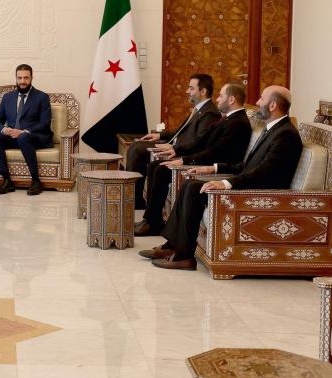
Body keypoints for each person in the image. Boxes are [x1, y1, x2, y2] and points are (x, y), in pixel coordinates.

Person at [140, 86, 302, 270]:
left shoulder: (286, 134)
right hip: (250, 183)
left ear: (273, 105)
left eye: (261, 99)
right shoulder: (273, 129)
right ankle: (173, 247)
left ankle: (184, 256)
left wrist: (226, 183)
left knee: (194, 188)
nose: (257, 102)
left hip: (261, 194)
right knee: (190, 184)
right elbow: (246, 166)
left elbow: (264, 173)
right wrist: (213, 168)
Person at [134, 83, 252, 236]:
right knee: (156, 165)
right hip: (206, 159)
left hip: (216, 166)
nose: (217, 99)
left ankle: (152, 223)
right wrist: (178, 151)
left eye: (221, 96)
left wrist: (186, 160)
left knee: (161, 169)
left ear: (231, 100)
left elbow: (215, 152)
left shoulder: (238, 122)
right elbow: (201, 141)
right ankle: (151, 219)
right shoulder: (229, 118)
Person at [125, 73, 221, 208]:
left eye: (191, 88)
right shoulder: (200, 109)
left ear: (203, 91)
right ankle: (133, 198)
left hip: (182, 151)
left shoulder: (210, 113)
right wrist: (160, 136)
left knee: (137, 150)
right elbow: (181, 131)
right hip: (174, 145)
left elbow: (199, 140)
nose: (187, 91)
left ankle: (134, 200)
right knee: (135, 146)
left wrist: (174, 148)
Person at [0, 64, 53, 196]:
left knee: (23, 137)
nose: (22, 81)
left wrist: (24, 131)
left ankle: (35, 180)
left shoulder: (42, 97)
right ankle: (7, 180)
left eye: (26, 78)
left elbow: (45, 123)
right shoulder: (8, 97)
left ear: (31, 78)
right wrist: (4, 129)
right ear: (16, 78)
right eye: (20, 78)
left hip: (34, 137)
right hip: (13, 137)